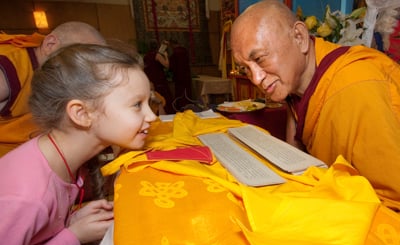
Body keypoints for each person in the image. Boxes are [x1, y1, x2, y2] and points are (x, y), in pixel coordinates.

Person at [230, 0, 400, 209]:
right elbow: (297, 160)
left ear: (299, 37)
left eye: (260, 59)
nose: (255, 78)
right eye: (246, 68)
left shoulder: (355, 86)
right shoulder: (298, 86)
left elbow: (392, 199)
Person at [0, 43, 157, 245]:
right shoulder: (26, 197)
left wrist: (71, 220)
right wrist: (72, 237)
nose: (152, 117)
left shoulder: (60, 158)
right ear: (81, 114)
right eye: (137, 105)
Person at [0, 21, 106, 157]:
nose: (83, 68)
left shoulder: (57, 75)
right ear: (50, 44)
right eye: (77, 56)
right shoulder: (10, 69)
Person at [143, 40, 174, 114]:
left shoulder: (146, 56)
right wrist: (166, 56)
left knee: (153, 95)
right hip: (159, 79)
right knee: (164, 96)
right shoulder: (157, 55)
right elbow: (167, 65)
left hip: (150, 79)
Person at [169, 39, 193, 111]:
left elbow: (171, 66)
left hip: (179, 78)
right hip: (186, 76)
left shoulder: (175, 53)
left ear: (172, 45)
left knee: (180, 94)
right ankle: (188, 107)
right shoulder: (185, 51)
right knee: (187, 93)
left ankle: (181, 108)